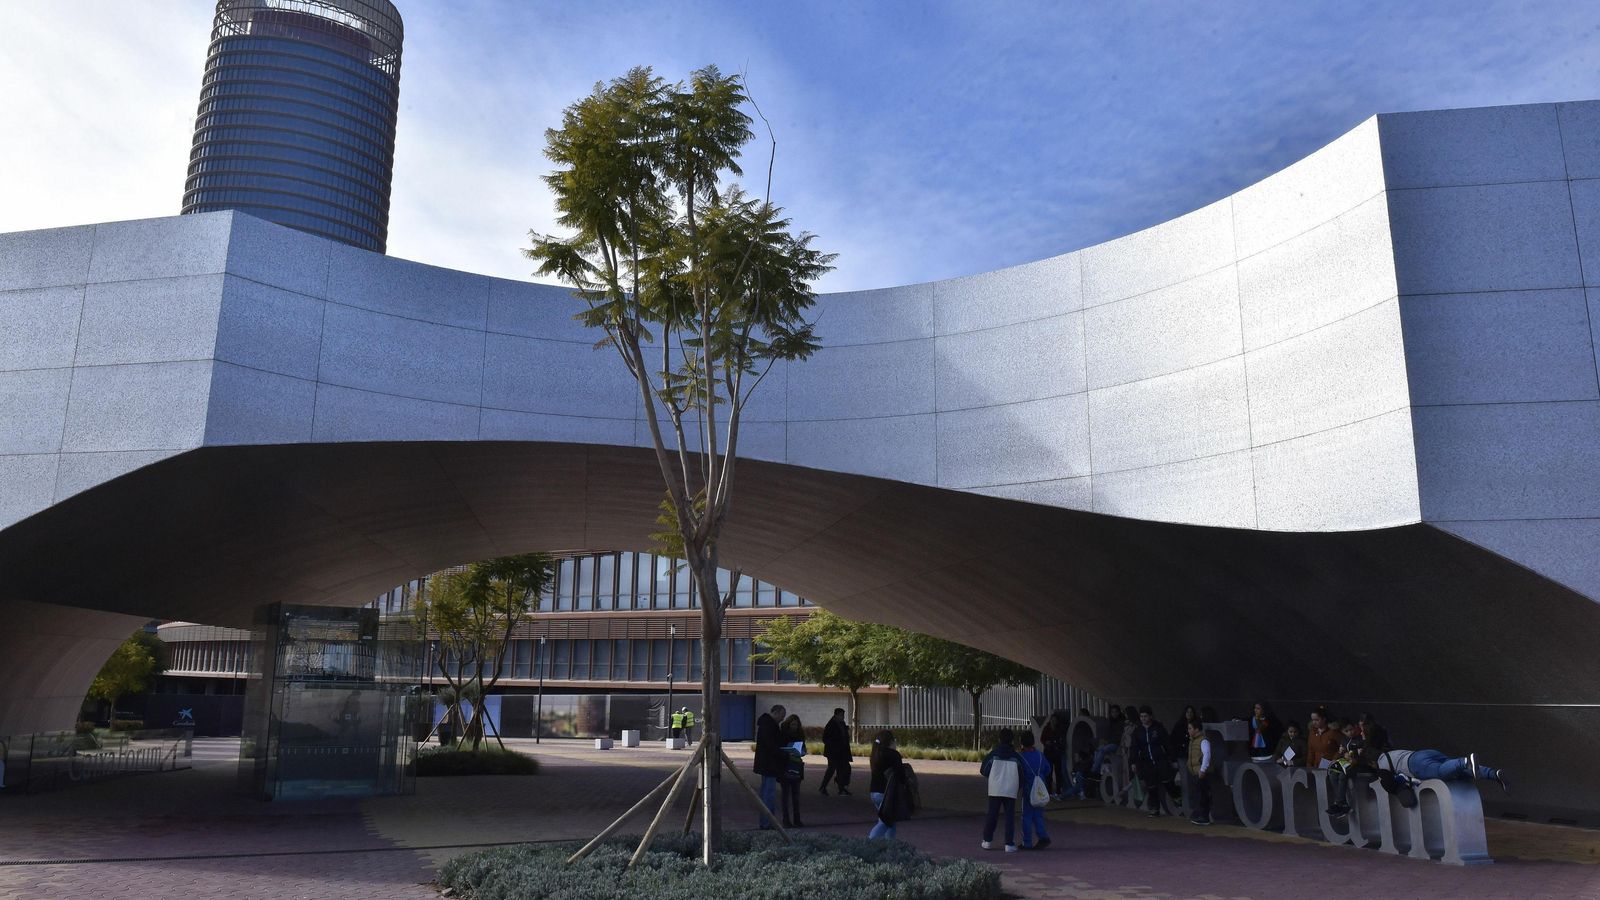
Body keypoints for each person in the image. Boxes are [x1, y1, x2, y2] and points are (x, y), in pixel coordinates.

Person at [1377, 748, 1509, 791]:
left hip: (1415, 764)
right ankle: (1494, 774)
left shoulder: (1381, 765)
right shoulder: (1392, 752)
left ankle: (1465, 761)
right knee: (1455, 771)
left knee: (1441, 773)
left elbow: (1390, 784)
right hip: (1424, 753)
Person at [979, 728, 1021, 852]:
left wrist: (992, 776)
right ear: (1012, 740)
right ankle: (1009, 843)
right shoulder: (1016, 756)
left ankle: (987, 840)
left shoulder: (994, 754)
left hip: (995, 788)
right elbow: (1022, 773)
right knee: (1009, 817)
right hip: (1010, 789)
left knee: (992, 814)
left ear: (999, 739)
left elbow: (983, 769)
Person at [1131, 706, 1171, 817]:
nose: (1143, 718)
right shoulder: (1138, 731)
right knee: (1151, 786)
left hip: (1160, 759)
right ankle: (1154, 809)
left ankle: (1178, 803)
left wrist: (1171, 758)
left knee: (1167, 781)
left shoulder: (1158, 728)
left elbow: (1166, 743)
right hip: (1146, 762)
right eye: (1141, 716)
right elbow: (1134, 747)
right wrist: (1133, 762)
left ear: (1150, 716)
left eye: (1145, 716)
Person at [1017, 731, 1053, 849]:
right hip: (1040, 788)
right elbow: (1047, 769)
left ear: (1022, 742)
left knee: (1026, 816)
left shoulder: (1021, 757)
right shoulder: (1040, 755)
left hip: (1028, 788)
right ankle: (1043, 836)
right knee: (1038, 815)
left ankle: (1027, 842)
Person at [752, 704, 786, 828]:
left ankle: (767, 821)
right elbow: (771, 745)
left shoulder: (766, 724)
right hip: (769, 764)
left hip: (766, 763)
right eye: (782, 716)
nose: (782, 719)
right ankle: (767, 822)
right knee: (768, 793)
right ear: (776, 713)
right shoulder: (769, 726)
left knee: (766, 792)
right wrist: (783, 752)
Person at [868, 730, 906, 840]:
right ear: (891, 741)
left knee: (889, 820)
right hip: (887, 793)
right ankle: (870, 842)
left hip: (874, 791)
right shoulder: (893, 755)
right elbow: (900, 774)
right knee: (885, 822)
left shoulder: (876, 754)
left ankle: (889, 846)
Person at [779, 713, 806, 827]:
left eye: (796, 724)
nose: (794, 726)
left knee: (796, 795)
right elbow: (779, 749)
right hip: (785, 766)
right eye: (792, 724)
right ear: (788, 724)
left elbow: (804, 749)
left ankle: (797, 819)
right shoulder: (783, 735)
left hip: (797, 766)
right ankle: (786, 819)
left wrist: (802, 752)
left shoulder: (800, 735)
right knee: (785, 795)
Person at [1186, 720, 1215, 825]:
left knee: (1202, 795)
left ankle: (1204, 817)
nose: (1188, 731)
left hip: (1201, 772)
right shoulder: (1193, 740)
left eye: (1190, 728)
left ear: (1196, 729)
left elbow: (1207, 754)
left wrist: (1203, 769)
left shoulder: (1203, 741)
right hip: (1195, 772)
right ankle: (1198, 814)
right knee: (1198, 794)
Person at [821, 707, 853, 795]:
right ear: (836, 715)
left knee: (844, 768)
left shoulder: (842, 724)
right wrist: (833, 745)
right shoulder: (831, 725)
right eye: (841, 715)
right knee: (832, 769)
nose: (843, 717)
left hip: (841, 751)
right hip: (833, 752)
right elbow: (825, 738)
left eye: (843, 715)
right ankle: (823, 787)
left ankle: (841, 787)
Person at [1040, 712, 1067, 800]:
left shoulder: (1059, 729)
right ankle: (1049, 791)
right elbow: (1042, 739)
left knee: (1058, 772)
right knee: (1049, 772)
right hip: (1048, 752)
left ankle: (1058, 790)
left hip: (1057, 753)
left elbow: (1061, 740)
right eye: (1052, 720)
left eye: (1055, 720)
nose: (1053, 721)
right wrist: (1046, 742)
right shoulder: (1046, 728)